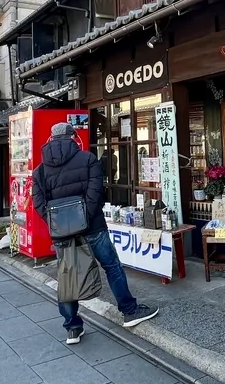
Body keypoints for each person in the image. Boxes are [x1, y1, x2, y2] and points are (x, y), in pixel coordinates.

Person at [32, 122, 158, 344]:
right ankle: (129, 310)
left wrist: (60, 222)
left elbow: (39, 203)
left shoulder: (40, 171)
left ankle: (72, 327)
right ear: (72, 137)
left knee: (67, 275)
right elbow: (96, 192)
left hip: (62, 234)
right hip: (93, 227)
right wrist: (84, 218)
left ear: (51, 139)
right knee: (111, 266)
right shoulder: (88, 159)